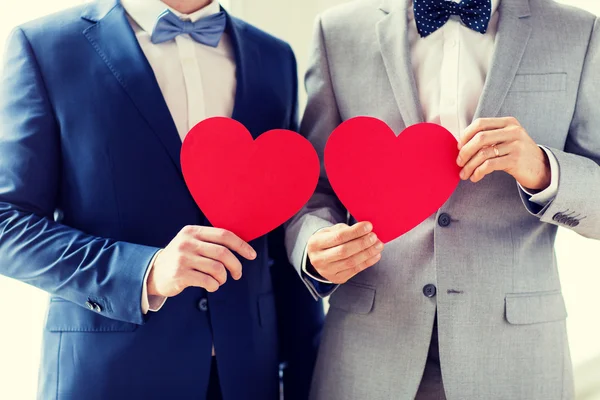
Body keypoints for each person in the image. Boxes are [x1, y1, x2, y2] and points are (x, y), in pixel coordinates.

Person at [0, 0, 323, 398]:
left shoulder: (275, 57)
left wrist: (305, 379)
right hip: (110, 376)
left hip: (247, 378)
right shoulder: (45, 45)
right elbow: (7, 220)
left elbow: (280, 231)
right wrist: (144, 272)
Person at [285, 0, 600, 398]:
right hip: (370, 354)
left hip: (515, 359)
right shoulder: (338, 31)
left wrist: (543, 169)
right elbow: (313, 189)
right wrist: (315, 248)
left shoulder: (578, 32)